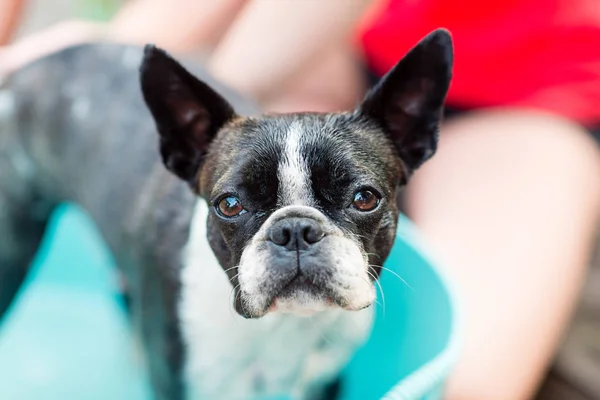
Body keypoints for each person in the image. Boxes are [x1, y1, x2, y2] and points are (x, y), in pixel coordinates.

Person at [1, 1, 599, 399]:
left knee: (470, 385)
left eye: (362, 199)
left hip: (538, 85)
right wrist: (104, 50)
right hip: (342, 34)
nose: (296, 239)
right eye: (236, 207)